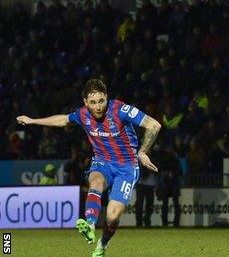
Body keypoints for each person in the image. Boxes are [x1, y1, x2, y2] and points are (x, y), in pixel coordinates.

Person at [16, 79, 161, 256]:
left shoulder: (120, 109)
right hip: (102, 161)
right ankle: (90, 224)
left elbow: (154, 125)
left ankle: (103, 244)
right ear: (85, 102)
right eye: (93, 102)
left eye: (101, 101)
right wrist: (32, 121)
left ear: (106, 97)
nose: (98, 107)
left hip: (127, 166)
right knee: (96, 181)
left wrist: (143, 152)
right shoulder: (82, 114)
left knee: (112, 216)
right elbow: (62, 120)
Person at [157, 146, 182, 227]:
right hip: (168, 184)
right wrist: (165, 173)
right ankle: (170, 223)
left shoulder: (174, 160)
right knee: (168, 206)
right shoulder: (167, 161)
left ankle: (173, 223)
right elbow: (160, 171)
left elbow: (179, 171)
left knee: (173, 205)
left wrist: (172, 174)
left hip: (172, 184)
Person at [135, 163, 158, 227]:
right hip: (142, 184)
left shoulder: (153, 160)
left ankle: (147, 221)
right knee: (140, 204)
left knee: (149, 205)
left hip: (150, 185)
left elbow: (158, 171)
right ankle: (139, 222)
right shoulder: (140, 159)